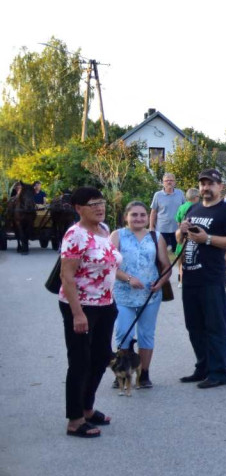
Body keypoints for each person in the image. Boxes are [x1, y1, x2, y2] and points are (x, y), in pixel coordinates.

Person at [58, 186, 121, 437]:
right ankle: (74, 420)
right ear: (78, 208)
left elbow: (108, 265)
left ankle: (87, 409)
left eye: (101, 202)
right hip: (81, 307)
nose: (99, 207)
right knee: (80, 362)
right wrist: (78, 314)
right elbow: (67, 275)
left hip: (105, 305)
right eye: (92, 203)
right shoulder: (74, 235)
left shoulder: (104, 230)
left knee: (100, 358)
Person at [176, 169, 226, 388]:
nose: (206, 187)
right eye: (202, 183)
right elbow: (180, 238)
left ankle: (218, 373)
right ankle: (202, 367)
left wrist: (208, 239)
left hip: (211, 277)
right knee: (194, 326)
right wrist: (181, 230)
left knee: (214, 326)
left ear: (220, 186)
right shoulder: (193, 208)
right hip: (190, 277)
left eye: (210, 184)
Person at [110, 201, 171, 389]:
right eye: (134, 215)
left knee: (146, 334)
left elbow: (166, 265)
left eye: (142, 215)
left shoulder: (156, 236)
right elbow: (110, 265)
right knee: (123, 333)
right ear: (126, 217)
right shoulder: (117, 235)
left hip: (149, 296)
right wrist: (128, 279)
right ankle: (122, 371)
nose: (138, 218)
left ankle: (144, 373)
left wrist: (160, 282)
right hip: (123, 295)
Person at [150, 173, 185, 258]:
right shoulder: (158, 195)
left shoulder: (180, 193)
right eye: (166, 180)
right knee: (160, 254)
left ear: (175, 182)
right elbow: (153, 212)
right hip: (162, 229)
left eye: (171, 180)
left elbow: (185, 209)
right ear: (163, 182)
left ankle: (179, 270)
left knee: (178, 254)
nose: (169, 182)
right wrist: (151, 227)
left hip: (176, 229)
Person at [173, 188, 200, 285]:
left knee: (180, 258)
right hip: (193, 236)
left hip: (182, 236)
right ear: (196, 197)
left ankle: (180, 280)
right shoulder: (198, 207)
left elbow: (178, 221)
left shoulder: (182, 207)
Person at [13, 182, 36, 254]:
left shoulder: (30, 194)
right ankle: (21, 245)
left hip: (29, 209)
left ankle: (25, 246)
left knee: (27, 230)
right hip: (18, 206)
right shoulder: (16, 193)